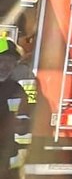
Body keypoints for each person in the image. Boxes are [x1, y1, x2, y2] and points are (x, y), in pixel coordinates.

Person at [0, 39, 31, 179]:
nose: (4, 66)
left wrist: (22, 124)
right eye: (1, 60)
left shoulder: (16, 90)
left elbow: (22, 119)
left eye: (10, 61)